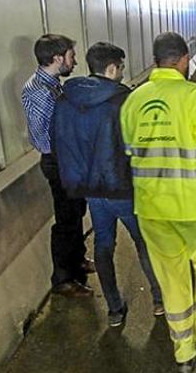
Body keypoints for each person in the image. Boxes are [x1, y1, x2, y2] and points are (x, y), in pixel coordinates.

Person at [121, 32, 196, 373]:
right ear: (184, 59)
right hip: (195, 206)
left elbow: (131, 152)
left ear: (156, 60)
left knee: (172, 280)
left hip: (152, 209)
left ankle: (183, 352)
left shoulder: (133, 102)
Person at [53, 42, 165, 327]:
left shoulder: (66, 100)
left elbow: (60, 143)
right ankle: (159, 300)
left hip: (90, 190)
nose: (122, 74)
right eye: (121, 68)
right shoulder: (123, 101)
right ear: (113, 68)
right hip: (122, 188)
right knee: (144, 242)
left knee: (103, 245)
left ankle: (115, 309)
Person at [21, 34, 93, 298]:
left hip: (67, 159)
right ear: (57, 58)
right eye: (71, 57)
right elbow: (45, 137)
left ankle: (78, 261)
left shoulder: (52, 85)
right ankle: (63, 278)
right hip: (58, 161)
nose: (74, 63)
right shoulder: (40, 91)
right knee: (66, 220)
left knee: (75, 212)